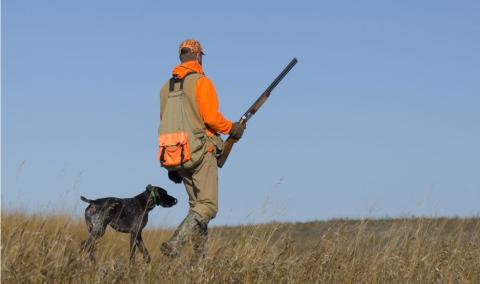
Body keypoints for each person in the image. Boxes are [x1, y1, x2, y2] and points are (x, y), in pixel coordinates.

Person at [158, 39, 245, 261]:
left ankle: (199, 261)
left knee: (196, 207)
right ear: (198, 57)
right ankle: (175, 244)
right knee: (208, 206)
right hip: (200, 153)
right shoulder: (201, 82)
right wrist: (232, 129)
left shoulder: (165, 88)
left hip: (177, 156)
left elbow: (164, 122)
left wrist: (173, 166)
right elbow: (212, 119)